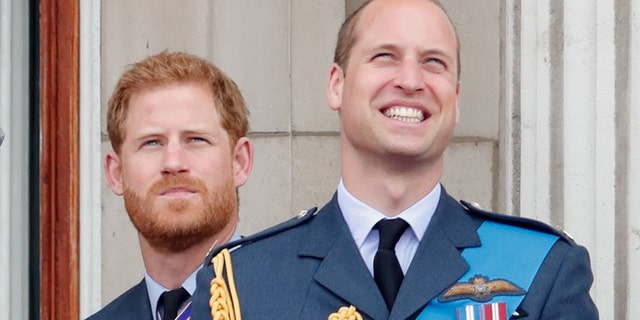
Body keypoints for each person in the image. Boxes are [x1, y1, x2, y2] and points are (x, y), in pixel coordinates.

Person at [191, 0, 598, 319]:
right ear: (337, 85)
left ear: (454, 101)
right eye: (384, 56)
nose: (410, 80)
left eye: (433, 62)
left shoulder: (543, 269)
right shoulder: (244, 282)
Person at [87, 51, 253, 320]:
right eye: (152, 142)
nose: (173, 162)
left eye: (195, 139)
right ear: (116, 173)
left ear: (239, 162)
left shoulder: (307, 305)